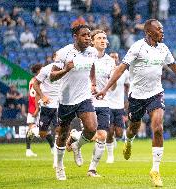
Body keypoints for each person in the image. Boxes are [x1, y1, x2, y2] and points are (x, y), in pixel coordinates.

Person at [96, 19, 176, 187]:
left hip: (155, 93)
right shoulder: (137, 47)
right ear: (149, 32)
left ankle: (155, 170)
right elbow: (121, 68)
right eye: (159, 29)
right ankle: (128, 141)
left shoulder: (163, 48)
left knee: (158, 127)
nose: (163, 32)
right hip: (137, 96)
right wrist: (105, 89)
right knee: (132, 129)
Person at [50, 25, 98, 180]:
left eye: (89, 36)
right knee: (63, 134)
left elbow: (92, 67)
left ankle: (76, 145)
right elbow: (52, 76)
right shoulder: (64, 53)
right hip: (66, 99)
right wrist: (65, 70)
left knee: (91, 129)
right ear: (75, 37)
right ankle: (59, 166)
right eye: (84, 35)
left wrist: (93, 82)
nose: (88, 38)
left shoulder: (92, 51)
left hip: (84, 96)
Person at [85, 30, 116, 177]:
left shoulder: (111, 61)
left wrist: (114, 78)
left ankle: (92, 169)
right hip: (86, 101)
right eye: (99, 38)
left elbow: (113, 87)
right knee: (90, 135)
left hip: (104, 102)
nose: (103, 40)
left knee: (102, 135)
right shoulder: (86, 57)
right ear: (92, 41)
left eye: (104, 38)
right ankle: (75, 138)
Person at [33, 58, 62, 157]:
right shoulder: (45, 70)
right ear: (54, 59)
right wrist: (42, 96)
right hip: (47, 105)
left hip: (59, 104)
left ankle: (57, 153)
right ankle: (34, 130)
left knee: (59, 129)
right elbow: (35, 84)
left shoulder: (66, 70)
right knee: (42, 134)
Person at [106, 52, 129, 164]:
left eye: (116, 57)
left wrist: (128, 99)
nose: (114, 59)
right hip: (107, 104)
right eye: (112, 57)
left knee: (119, 133)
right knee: (109, 131)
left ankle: (115, 139)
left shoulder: (124, 72)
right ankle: (110, 156)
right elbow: (111, 88)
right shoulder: (104, 71)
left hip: (119, 106)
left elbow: (128, 85)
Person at [26, 63, 43, 157]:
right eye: (42, 68)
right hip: (36, 106)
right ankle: (35, 132)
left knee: (30, 128)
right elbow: (36, 95)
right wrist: (37, 108)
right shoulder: (37, 81)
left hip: (31, 106)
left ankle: (28, 150)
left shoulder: (32, 80)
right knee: (35, 129)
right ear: (38, 71)